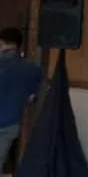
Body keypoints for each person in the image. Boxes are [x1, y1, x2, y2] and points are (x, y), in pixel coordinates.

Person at [0, 27, 42, 169]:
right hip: (10, 126)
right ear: (20, 46)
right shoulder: (32, 70)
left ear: (1, 43)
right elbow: (33, 97)